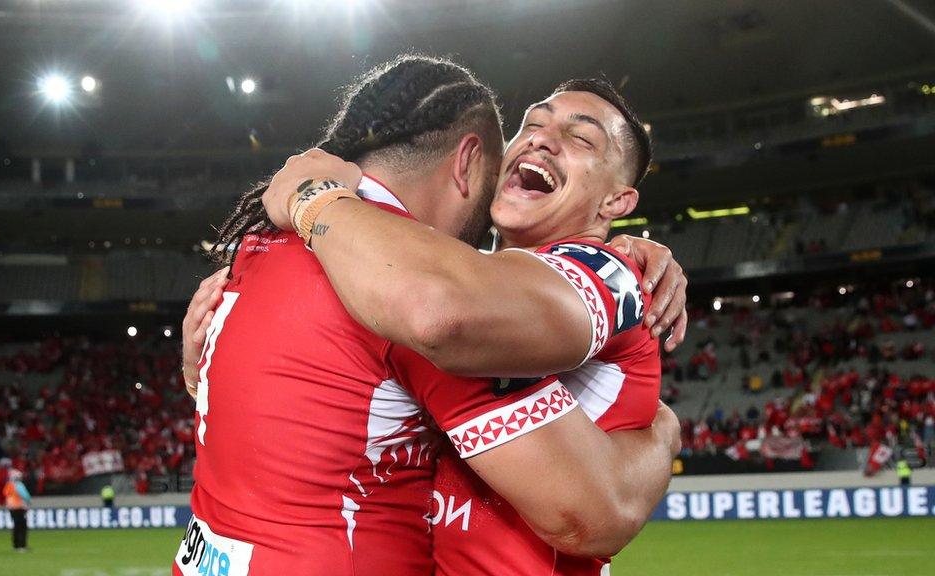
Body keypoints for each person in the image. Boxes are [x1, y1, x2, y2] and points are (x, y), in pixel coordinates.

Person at [176, 55, 686, 576]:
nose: (539, 139)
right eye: (530, 125)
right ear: (470, 163)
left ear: (617, 200)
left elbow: (590, 516)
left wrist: (665, 431)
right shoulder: (401, 282)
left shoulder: (273, 250)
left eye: (581, 139)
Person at [3, 468, 31, 552]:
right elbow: (25, 495)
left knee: (16, 526)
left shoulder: (8, 485)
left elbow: (5, 494)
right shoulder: (18, 485)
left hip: (11, 508)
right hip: (20, 507)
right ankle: (22, 546)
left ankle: (15, 545)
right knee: (22, 527)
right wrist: (29, 502)